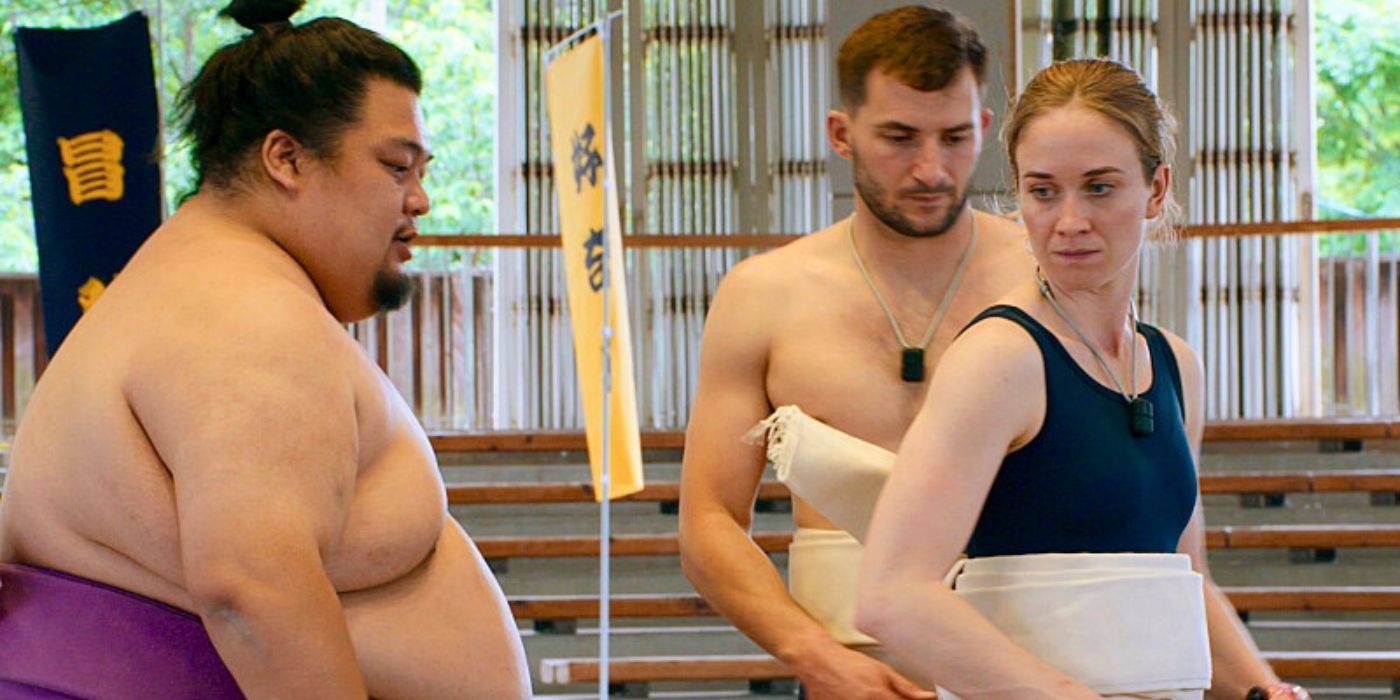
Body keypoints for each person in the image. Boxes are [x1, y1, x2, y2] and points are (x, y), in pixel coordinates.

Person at [0, 1, 530, 698]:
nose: (421, 199)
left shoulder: (202, 281)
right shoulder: (242, 314)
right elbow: (251, 588)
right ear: (285, 158)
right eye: (396, 167)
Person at [855, 58, 1307, 700]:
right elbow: (891, 595)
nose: (1069, 221)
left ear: (1155, 190)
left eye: (1099, 187)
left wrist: (1265, 690)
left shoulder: (1175, 364)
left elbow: (1184, 580)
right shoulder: (1000, 358)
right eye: (1043, 191)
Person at [678, 6, 1034, 699]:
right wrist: (812, 652)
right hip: (847, 667)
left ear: (985, 129)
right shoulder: (765, 295)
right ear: (842, 134)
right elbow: (708, 521)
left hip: (1028, 665)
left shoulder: (1044, 274)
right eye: (900, 138)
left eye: (955, 138)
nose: (931, 169)